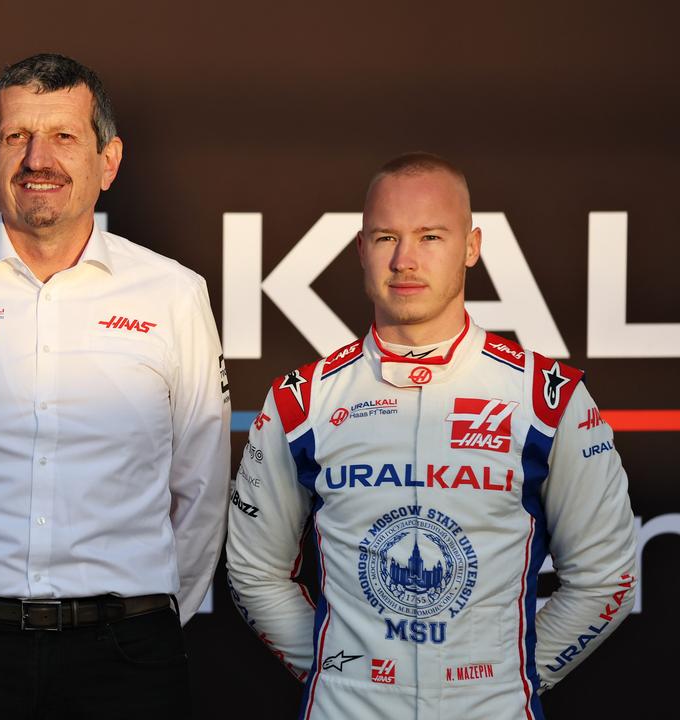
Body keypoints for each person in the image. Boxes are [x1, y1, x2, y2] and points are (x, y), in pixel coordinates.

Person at [0, 53, 230, 717]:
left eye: (63, 137)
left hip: (127, 662)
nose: (38, 159)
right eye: (16, 137)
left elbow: (200, 486)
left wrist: (147, 622)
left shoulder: (174, 296)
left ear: (108, 160)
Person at [226, 152, 637, 719]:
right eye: (385, 237)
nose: (404, 260)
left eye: (431, 236)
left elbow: (606, 578)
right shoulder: (303, 400)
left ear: (471, 246)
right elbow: (255, 573)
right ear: (360, 251)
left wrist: (508, 678)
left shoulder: (547, 397)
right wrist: (339, 670)